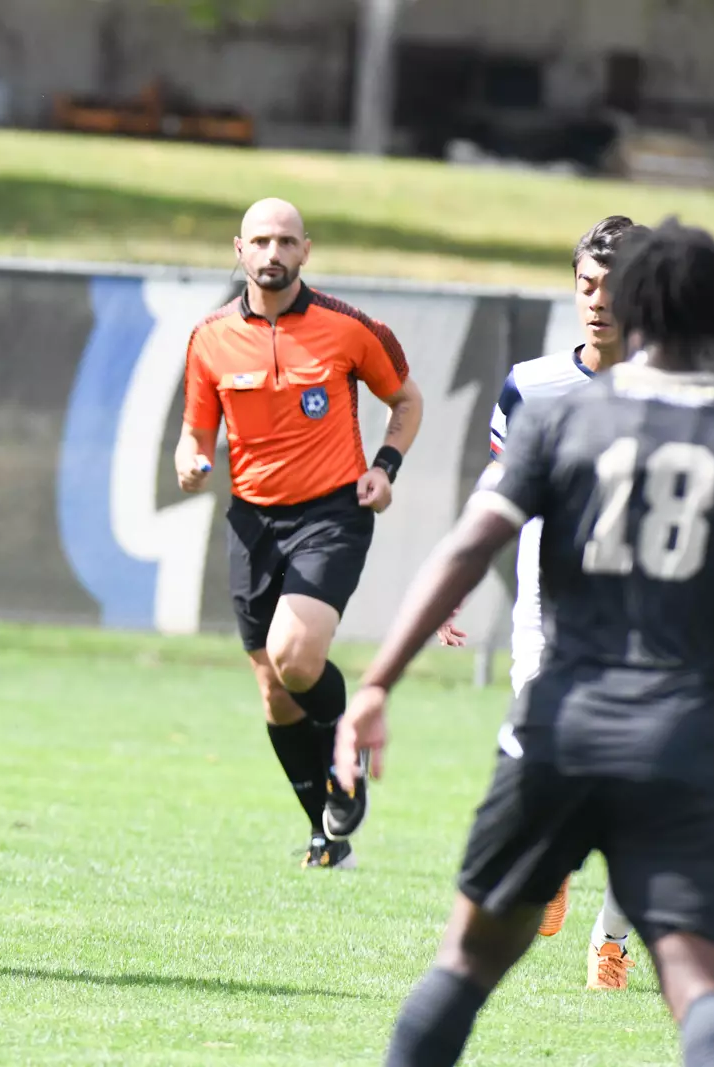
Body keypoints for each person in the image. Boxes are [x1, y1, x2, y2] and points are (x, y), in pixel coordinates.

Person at [334, 219, 714, 1067]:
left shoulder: (566, 422)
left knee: (465, 965)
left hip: (556, 728)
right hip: (679, 742)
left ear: (636, 304)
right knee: (705, 994)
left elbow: (470, 545)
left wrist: (375, 682)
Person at [175, 197, 423, 870]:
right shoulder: (209, 337)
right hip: (252, 520)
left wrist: (384, 467)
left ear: (306, 250)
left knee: (295, 654)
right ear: (239, 249)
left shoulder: (349, 328)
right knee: (274, 688)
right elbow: (196, 431)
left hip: (331, 515)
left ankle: (346, 752)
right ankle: (325, 831)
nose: (272, 253)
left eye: (286, 240)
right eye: (260, 241)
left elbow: (406, 399)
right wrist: (190, 461)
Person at [442, 215, 653, 987]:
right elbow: (497, 495)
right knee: (538, 763)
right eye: (586, 284)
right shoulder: (531, 385)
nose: (597, 301)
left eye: (615, 287)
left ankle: (612, 940)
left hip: (645, 626)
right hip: (548, 615)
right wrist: (459, 585)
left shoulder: (676, 393)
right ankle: (553, 865)